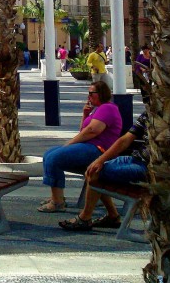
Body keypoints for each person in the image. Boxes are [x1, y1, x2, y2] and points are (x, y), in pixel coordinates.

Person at [38, 81, 123, 213]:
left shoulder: (108, 108)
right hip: (88, 146)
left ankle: (57, 202)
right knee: (49, 154)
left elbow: (92, 131)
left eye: (91, 93)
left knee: (54, 158)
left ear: (100, 93)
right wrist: (85, 114)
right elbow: (83, 130)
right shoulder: (97, 110)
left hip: (98, 150)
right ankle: (57, 196)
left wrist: (69, 144)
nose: (88, 96)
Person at [59, 111, 151, 231]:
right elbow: (125, 140)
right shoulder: (148, 113)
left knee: (95, 172)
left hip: (148, 168)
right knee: (93, 168)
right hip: (134, 159)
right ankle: (112, 216)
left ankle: (85, 218)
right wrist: (100, 160)